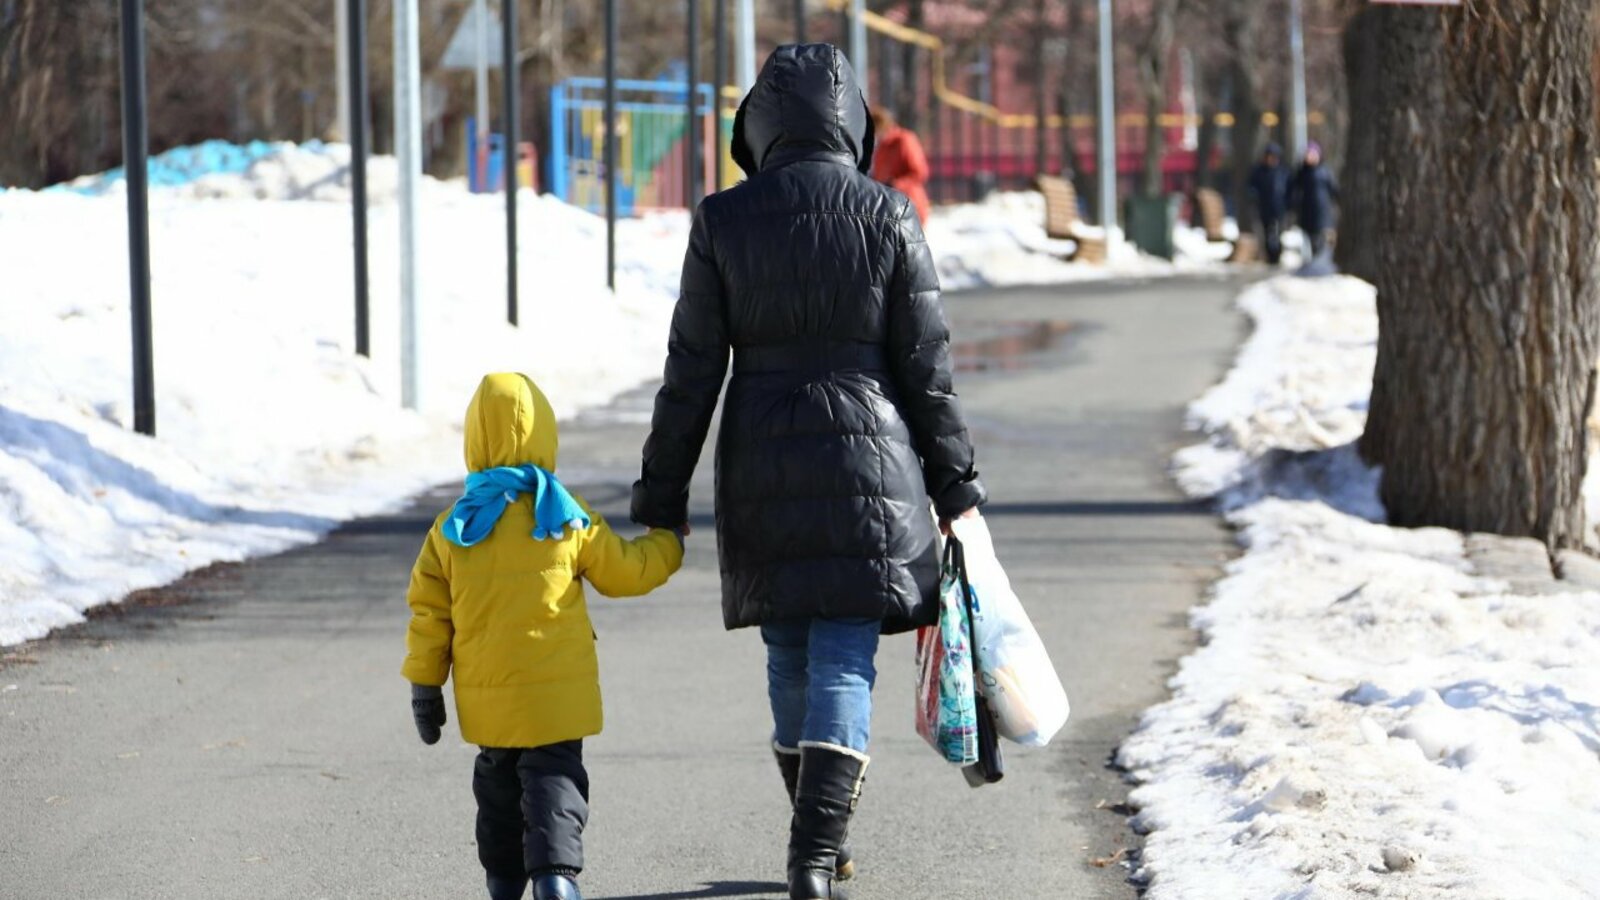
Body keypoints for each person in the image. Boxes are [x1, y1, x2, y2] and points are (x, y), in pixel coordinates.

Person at [631, 44, 985, 900]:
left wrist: (663, 495)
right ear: (852, 122)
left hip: (762, 464)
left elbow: (690, 372)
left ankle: (815, 844)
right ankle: (815, 856)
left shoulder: (723, 220)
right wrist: (955, 484)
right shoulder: (890, 213)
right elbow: (925, 370)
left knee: (788, 657)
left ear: (757, 127)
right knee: (840, 661)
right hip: (871, 464)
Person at [402, 373, 685, 900]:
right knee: (554, 783)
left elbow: (428, 614)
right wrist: (667, 543)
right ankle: (556, 881)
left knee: (498, 788)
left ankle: (505, 882)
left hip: (490, 702)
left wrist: (425, 687)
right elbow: (627, 571)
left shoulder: (451, 530)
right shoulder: (564, 517)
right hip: (557, 698)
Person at [869, 106, 933, 223]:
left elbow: (919, 172)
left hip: (909, 205)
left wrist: (895, 184)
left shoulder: (905, 140)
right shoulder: (882, 147)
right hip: (890, 208)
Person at [1288, 140, 1339, 261]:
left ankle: (1320, 259)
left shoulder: (1325, 172)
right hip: (1306, 210)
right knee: (1310, 236)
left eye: (1313, 154)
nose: (1310, 157)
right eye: (1308, 154)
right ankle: (1314, 260)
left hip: (1322, 210)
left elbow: (1334, 189)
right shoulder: (1301, 173)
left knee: (1320, 237)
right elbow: (1292, 190)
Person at [1248, 142, 1289, 265]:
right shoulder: (1259, 171)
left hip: (1278, 208)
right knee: (1267, 233)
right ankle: (1270, 256)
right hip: (1264, 208)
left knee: (1276, 233)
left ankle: (1276, 255)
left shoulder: (1282, 171)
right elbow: (1252, 186)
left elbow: (1289, 188)